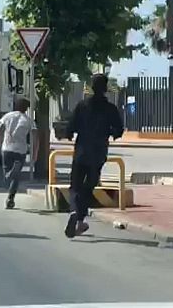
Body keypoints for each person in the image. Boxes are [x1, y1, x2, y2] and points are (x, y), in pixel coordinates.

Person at [64, 74, 124, 238]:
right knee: (89, 187)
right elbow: (119, 130)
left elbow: (70, 127)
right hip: (98, 154)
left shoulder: (82, 106)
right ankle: (80, 217)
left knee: (75, 186)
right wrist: (108, 132)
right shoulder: (110, 109)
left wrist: (70, 134)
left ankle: (75, 212)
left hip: (81, 152)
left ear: (91, 87)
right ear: (105, 89)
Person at [0, 98, 37, 209]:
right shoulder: (28, 120)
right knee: (16, 177)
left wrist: (0, 145)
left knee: (6, 174)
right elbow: (35, 137)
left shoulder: (7, 116)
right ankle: (11, 198)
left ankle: (9, 173)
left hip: (7, 148)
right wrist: (34, 153)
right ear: (26, 108)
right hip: (21, 150)